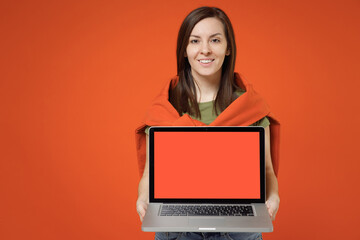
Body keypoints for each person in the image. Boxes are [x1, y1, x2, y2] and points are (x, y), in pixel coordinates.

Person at [135, 6, 280, 240]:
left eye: (215, 40)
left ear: (228, 47)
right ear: (184, 49)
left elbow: (267, 170)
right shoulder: (166, 107)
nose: (205, 50)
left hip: (237, 228)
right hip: (177, 227)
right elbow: (149, 175)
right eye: (194, 41)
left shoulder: (249, 106)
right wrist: (143, 198)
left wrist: (273, 197)